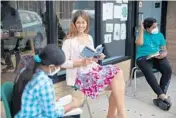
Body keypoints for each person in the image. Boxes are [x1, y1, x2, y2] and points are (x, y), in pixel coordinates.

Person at [61, 10, 126, 118]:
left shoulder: (89, 37)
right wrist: (80, 63)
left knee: (118, 74)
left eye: (83, 22)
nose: (81, 25)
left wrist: (97, 57)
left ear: (87, 23)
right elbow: (63, 63)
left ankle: (118, 114)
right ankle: (119, 114)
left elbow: (90, 57)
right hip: (80, 75)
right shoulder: (69, 41)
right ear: (74, 23)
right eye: (78, 22)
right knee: (118, 84)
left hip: (92, 69)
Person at [12, 44, 80, 118]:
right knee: (75, 114)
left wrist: (50, 100)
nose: (59, 68)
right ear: (51, 67)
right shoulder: (44, 82)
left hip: (21, 113)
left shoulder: (26, 70)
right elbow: (53, 114)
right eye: (59, 66)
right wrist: (72, 105)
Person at [135, 17, 172, 110]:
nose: (156, 28)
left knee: (168, 70)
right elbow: (139, 43)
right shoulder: (141, 34)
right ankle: (162, 96)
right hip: (143, 58)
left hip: (157, 56)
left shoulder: (159, 35)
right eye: (153, 27)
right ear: (147, 28)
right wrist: (141, 30)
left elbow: (164, 48)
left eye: (156, 26)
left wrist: (164, 54)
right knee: (149, 72)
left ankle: (160, 96)